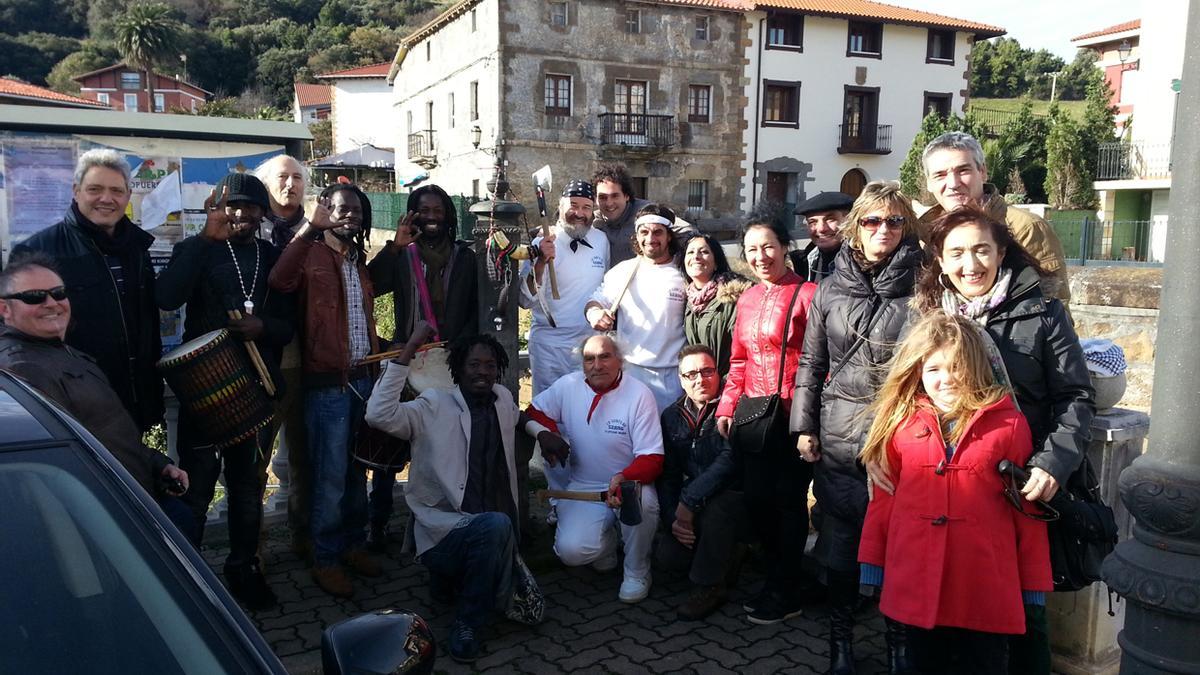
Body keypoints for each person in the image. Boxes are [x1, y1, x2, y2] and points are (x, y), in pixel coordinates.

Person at [901, 206, 1095, 675]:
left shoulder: (1044, 313)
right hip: (949, 488)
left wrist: (1051, 463)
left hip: (1020, 485)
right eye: (958, 253)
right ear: (941, 262)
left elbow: (1075, 395)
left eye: (982, 250)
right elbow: (904, 396)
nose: (971, 264)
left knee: (1024, 616)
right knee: (945, 618)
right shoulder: (928, 319)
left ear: (1001, 253)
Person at [857, 312, 1053, 675]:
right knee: (920, 663)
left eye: (956, 366)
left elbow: (1027, 508)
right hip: (916, 574)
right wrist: (873, 562)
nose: (945, 379)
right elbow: (882, 497)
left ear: (976, 367)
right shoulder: (899, 423)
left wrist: (1033, 581)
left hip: (983, 580)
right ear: (918, 373)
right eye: (933, 369)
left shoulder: (1009, 424)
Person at [790, 181, 923, 675]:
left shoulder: (925, 286)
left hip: (901, 431)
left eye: (893, 221)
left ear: (905, 226)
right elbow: (811, 361)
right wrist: (803, 427)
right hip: (840, 432)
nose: (882, 230)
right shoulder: (829, 287)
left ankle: (898, 645)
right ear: (855, 227)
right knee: (842, 547)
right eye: (871, 221)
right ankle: (841, 643)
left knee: (901, 548)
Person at [155, 173, 293, 610]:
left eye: (249, 207)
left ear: (262, 212)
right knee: (195, 486)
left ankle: (243, 569)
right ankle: (189, 576)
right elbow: (166, 296)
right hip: (202, 393)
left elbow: (288, 324)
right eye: (231, 205)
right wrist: (201, 240)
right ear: (216, 208)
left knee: (248, 485)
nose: (240, 214)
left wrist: (263, 327)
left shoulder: (273, 258)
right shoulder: (195, 250)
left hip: (255, 390)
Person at [365, 327, 538, 663]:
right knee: (495, 527)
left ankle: (449, 582)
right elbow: (378, 415)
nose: (483, 372)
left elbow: (520, 417)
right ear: (457, 368)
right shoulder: (433, 405)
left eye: (490, 365)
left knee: (525, 593)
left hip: (488, 529)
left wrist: (543, 434)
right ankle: (467, 622)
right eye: (474, 364)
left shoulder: (501, 399)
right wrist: (409, 350)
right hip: (444, 530)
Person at [0, 253, 191, 530]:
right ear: (5, 309)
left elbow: (104, 430)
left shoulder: (56, 349)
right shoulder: (25, 367)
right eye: (34, 297)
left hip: (136, 493)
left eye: (58, 293)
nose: (51, 303)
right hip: (107, 512)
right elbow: (61, 463)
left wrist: (157, 464)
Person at [269, 182, 382, 598]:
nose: (351, 216)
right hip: (327, 385)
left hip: (361, 379)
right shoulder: (311, 254)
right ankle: (325, 557)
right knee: (329, 477)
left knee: (356, 471)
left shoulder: (357, 261)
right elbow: (279, 281)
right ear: (325, 211)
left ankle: (352, 545)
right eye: (342, 209)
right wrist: (308, 230)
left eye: (357, 210)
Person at [10, 149, 163, 432]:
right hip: (73, 406)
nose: (106, 199)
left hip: (134, 402)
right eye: (95, 189)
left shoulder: (137, 249)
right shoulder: (38, 251)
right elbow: (18, 339)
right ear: (76, 191)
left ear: (128, 196)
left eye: (116, 190)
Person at [714, 214, 817, 625]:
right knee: (757, 501)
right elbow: (738, 360)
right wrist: (725, 406)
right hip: (754, 415)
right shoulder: (749, 299)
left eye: (768, 246)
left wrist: (809, 422)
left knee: (788, 505)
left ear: (786, 247)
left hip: (793, 415)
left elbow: (818, 361)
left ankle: (785, 588)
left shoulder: (809, 294)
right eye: (752, 249)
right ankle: (777, 577)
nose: (761, 256)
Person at [367, 183, 479, 550]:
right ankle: (378, 526)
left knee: (443, 448)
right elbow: (371, 286)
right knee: (388, 451)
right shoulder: (404, 254)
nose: (432, 217)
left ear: (448, 214)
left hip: (450, 364)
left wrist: (461, 351)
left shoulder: (465, 256)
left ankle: (444, 521)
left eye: (438, 210)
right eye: (424, 210)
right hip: (408, 358)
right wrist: (395, 246)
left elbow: (476, 309)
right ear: (412, 214)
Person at [524, 334, 663, 603]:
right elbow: (535, 412)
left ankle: (637, 570)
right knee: (570, 552)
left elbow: (652, 458)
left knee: (644, 504)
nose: (596, 365)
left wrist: (624, 477)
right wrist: (548, 436)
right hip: (584, 486)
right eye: (589, 359)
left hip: (628, 484)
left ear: (620, 360)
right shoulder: (568, 385)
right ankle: (607, 543)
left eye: (604, 356)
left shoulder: (640, 394)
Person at [919, 131, 1071, 308]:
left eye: (963, 170)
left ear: (983, 172)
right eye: (940, 175)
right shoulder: (924, 233)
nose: (953, 183)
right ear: (929, 183)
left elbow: (1056, 309)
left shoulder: (1026, 228)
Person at [657, 344, 748, 621]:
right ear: (681, 379)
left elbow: (729, 462)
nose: (700, 379)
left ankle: (710, 587)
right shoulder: (671, 417)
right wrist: (675, 517)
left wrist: (689, 502)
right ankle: (729, 557)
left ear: (718, 374)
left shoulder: (734, 409)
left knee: (719, 510)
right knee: (667, 559)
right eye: (692, 374)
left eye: (707, 371)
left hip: (734, 497)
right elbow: (669, 474)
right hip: (693, 502)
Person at [253, 153, 313, 560]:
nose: (290, 184)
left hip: (308, 356)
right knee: (256, 458)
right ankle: (251, 545)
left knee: (306, 458)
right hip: (261, 360)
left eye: (297, 177)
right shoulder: (249, 228)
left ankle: (304, 540)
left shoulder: (318, 230)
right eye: (282, 177)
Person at [584, 204, 687, 412]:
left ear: (669, 236)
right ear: (637, 235)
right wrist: (595, 313)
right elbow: (595, 300)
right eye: (644, 232)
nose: (650, 239)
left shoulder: (684, 272)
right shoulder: (624, 271)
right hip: (632, 374)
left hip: (674, 377)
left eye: (658, 232)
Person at [520, 178, 608, 395]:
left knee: (586, 408)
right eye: (574, 206)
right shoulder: (543, 243)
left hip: (589, 345)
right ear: (560, 207)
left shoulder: (601, 240)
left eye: (586, 207)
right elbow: (525, 299)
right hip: (550, 347)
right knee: (548, 413)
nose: (579, 213)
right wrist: (540, 261)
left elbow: (605, 287)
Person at [591, 163, 696, 266]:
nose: (609, 203)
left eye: (615, 196)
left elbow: (688, 232)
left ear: (627, 196)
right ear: (596, 199)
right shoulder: (592, 221)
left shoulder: (645, 213)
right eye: (602, 197)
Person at [680, 235, 750, 377]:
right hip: (701, 387)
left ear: (716, 262)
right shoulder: (687, 301)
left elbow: (745, 352)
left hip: (729, 385)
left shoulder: (733, 298)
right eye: (690, 252)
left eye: (704, 252)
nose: (696, 257)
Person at [788, 191, 853, 283]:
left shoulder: (862, 263)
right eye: (813, 222)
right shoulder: (800, 263)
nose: (821, 229)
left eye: (830, 219)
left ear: (848, 221)